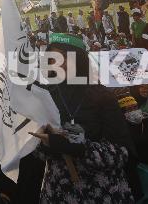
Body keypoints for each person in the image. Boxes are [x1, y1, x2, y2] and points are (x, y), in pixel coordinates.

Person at [33, 32, 135, 203]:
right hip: (59, 192)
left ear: (79, 59)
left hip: (101, 192)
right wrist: (45, 146)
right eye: (52, 59)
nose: (57, 64)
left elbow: (121, 153)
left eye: (63, 57)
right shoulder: (46, 97)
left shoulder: (102, 96)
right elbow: (36, 148)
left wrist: (80, 148)